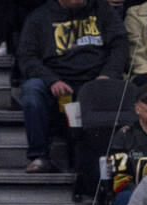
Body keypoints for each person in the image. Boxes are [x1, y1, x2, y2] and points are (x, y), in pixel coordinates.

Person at [16, 0, 128, 172]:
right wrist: (51, 80)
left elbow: (120, 45)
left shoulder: (102, 10)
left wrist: (108, 75)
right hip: (56, 85)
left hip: (95, 82)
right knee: (32, 89)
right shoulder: (39, 17)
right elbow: (26, 57)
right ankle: (39, 156)